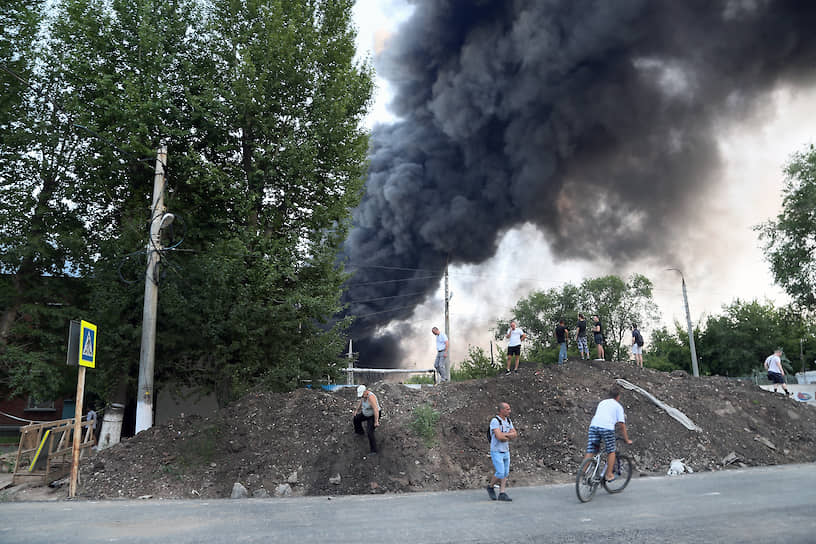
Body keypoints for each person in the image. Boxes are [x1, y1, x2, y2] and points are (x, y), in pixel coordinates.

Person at [583, 386, 632, 482]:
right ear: (618, 397)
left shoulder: (602, 403)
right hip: (607, 428)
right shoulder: (618, 407)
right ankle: (609, 474)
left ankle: (583, 471)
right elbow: (621, 425)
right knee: (611, 450)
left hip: (594, 426)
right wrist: (626, 439)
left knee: (591, 450)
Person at [486, 402, 517, 502]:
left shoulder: (508, 420)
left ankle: (502, 493)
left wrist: (505, 435)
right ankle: (490, 487)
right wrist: (509, 435)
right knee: (500, 472)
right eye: (507, 409)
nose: (509, 411)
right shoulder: (495, 421)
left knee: (505, 473)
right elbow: (499, 437)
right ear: (501, 410)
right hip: (496, 451)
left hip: (505, 451)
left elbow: (515, 434)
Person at [353, 384, 381, 453]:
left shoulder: (371, 397)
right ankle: (360, 432)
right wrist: (356, 410)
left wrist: (376, 421)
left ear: (366, 391)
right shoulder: (363, 396)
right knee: (356, 418)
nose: (362, 396)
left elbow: (376, 409)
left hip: (373, 415)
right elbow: (360, 403)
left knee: (369, 432)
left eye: (362, 394)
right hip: (365, 413)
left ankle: (374, 450)